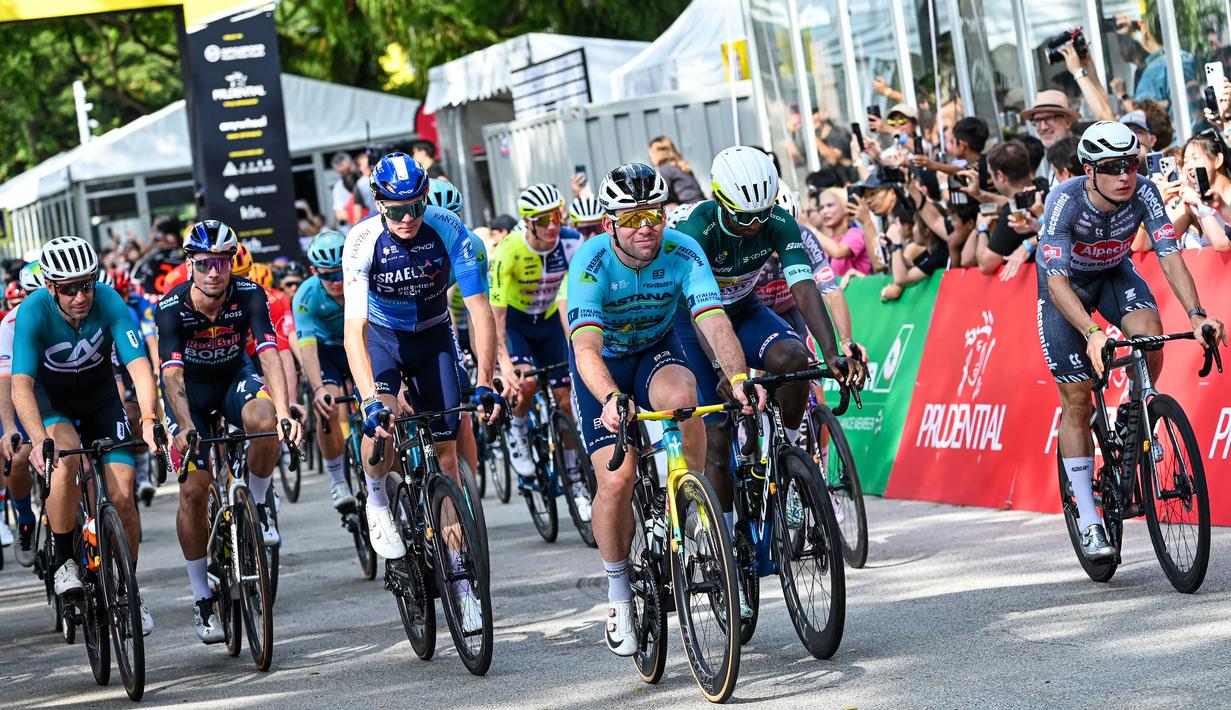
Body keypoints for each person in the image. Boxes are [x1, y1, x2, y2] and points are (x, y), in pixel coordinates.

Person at [565, 161, 759, 656]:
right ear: (610, 224)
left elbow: (714, 322)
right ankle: (618, 593)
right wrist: (610, 398)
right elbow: (586, 348)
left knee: (683, 398)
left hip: (654, 347)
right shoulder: (590, 262)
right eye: (631, 218)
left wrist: (737, 378)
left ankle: (690, 507)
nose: (645, 226)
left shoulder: (683, 249)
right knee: (617, 478)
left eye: (653, 213)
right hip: (603, 365)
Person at [670, 147, 863, 620]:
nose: (756, 226)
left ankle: (790, 450)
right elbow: (704, 314)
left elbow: (804, 287)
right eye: (744, 218)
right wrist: (723, 373)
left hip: (742, 310)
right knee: (717, 434)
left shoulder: (778, 219)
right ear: (719, 200)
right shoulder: (694, 227)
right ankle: (727, 549)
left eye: (762, 215)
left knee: (794, 358)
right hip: (690, 320)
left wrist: (833, 350)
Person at [1036, 121, 1225, 561]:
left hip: (1114, 277)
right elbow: (1056, 282)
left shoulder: (1143, 192)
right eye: (1113, 167)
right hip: (1066, 291)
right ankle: (1089, 519)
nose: (1126, 175)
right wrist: (1093, 332)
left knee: (1151, 341)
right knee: (1077, 401)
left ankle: (1132, 416)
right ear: (1088, 169)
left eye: (1132, 164)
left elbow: (1170, 255)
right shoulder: (1062, 201)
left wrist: (1197, 315)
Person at [342, 152, 503, 634]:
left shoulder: (450, 229)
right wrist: (370, 399)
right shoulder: (362, 241)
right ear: (378, 204)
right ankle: (375, 497)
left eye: (416, 206)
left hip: (433, 336)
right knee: (381, 427)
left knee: (448, 455)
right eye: (396, 210)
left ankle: (460, 583)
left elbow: (480, 312)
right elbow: (354, 333)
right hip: (384, 339)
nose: (408, 218)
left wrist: (486, 381)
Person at [156, 220, 302, 643]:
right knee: (194, 490)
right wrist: (183, 427)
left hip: (235, 377)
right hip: (191, 394)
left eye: (221, 262)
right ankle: (202, 595)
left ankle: (256, 503)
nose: (214, 272)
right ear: (190, 266)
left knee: (263, 421)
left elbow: (269, 351)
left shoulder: (250, 294)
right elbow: (172, 376)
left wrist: (282, 408)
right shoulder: (171, 307)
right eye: (204, 264)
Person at [12, 237, 161, 635]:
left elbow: (139, 366)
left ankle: (128, 589)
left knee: (124, 495)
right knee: (64, 464)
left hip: (99, 398)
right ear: (51, 288)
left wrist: (147, 417)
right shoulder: (32, 311)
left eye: (87, 284)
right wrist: (37, 436)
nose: (80, 296)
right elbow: (21, 385)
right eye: (69, 288)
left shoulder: (109, 301)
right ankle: (64, 562)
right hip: (53, 400)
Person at [490, 183, 583, 492]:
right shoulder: (508, 251)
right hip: (517, 325)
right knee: (526, 382)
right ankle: (517, 430)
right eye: (544, 220)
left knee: (565, 401)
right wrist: (503, 364)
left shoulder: (571, 242)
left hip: (549, 323)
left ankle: (575, 476)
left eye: (557, 216)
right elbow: (496, 318)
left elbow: (580, 295)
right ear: (528, 222)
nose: (553, 225)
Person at [293, 231, 356, 512]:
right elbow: (307, 348)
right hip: (326, 352)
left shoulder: (361, 281)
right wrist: (317, 389)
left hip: (358, 344)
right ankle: (337, 478)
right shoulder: (306, 295)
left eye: (340, 272)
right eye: (328, 276)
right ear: (314, 271)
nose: (337, 282)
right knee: (328, 405)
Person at [0, 261, 44, 566]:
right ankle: (26, 521)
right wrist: (7, 425)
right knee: (15, 459)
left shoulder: (76, 314)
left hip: (61, 397)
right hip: (22, 398)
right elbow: (4, 381)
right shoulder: (11, 324)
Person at [975, 140, 1042, 278]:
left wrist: (982, 229)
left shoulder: (1014, 214)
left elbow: (985, 265)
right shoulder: (1045, 187)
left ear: (1000, 176)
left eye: (991, 174)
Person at [813, 187, 871, 276]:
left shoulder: (856, 233)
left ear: (846, 207)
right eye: (821, 208)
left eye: (830, 205)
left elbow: (838, 252)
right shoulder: (829, 241)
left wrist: (810, 229)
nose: (824, 211)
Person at [648, 136, 703, 208]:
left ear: (656, 154)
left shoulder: (665, 169)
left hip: (689, 207)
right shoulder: (682, 165)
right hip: (701, 202)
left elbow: (663, 195)